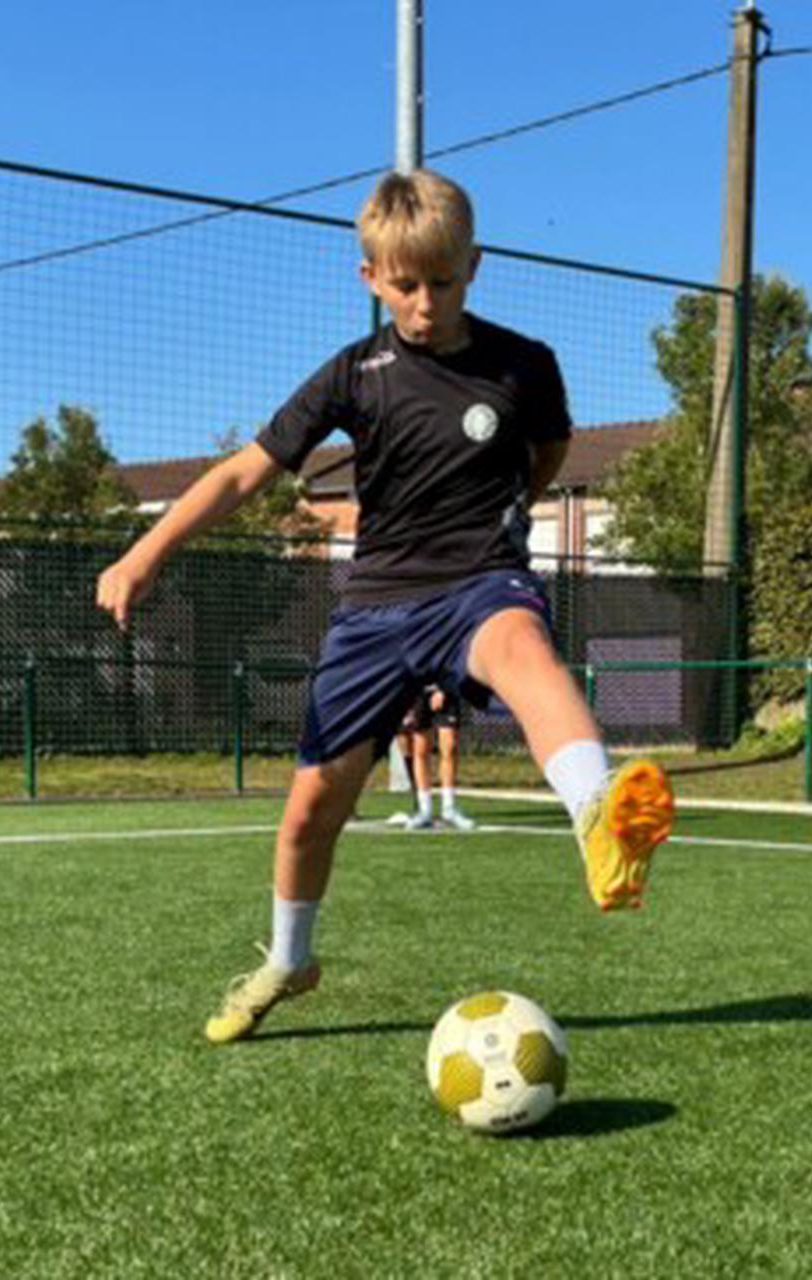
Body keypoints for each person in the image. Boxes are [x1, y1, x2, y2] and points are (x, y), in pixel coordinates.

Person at [96, 168, 674, 1046]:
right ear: (370, 277)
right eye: (405, 284)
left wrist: (501, 515)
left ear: (474, 265)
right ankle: (289, 961)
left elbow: (548, 452)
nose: (426, 301)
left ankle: (599, 813)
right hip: (373, 608)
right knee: (308, 814)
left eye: (443, 280)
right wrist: (144, 553)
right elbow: (244, 472)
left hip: (479, 579)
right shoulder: (353, 376)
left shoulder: (526, 365)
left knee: (522, 648)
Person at [396, 683, 476, 831]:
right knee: (420, 749)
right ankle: (424, 809)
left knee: (450, 746)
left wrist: (444, 690)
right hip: (419, 693)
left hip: (446, 692)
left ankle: (449, 808)